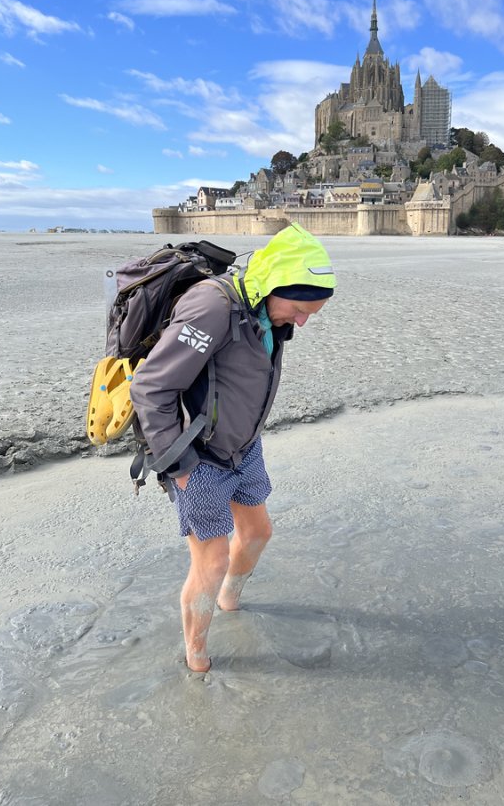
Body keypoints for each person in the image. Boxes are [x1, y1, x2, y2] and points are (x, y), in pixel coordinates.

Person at [129, 223, 336, 673]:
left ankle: (230, 600)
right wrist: (178, 466)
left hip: (245, 447)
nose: (301, 321)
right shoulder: (212, 308)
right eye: (299, 309)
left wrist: (246, 437)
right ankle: (198, 659)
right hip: (197, 456)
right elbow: (150, 388)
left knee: (259, 533)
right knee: (212, 559)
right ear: (275, 285)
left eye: (310, 314)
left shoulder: (266, 308)